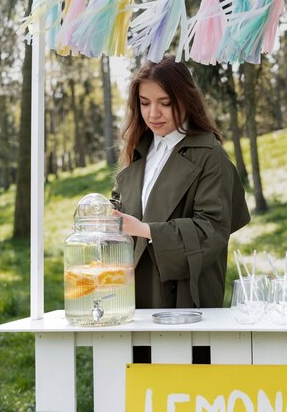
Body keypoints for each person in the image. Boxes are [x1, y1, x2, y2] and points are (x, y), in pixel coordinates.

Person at [111, 56, 250, 360]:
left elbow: (212, 230)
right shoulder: (140, 150)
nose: (153, 113)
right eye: (144, 103)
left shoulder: (209, 154)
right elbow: (121, 206)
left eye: (164, 102)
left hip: (183, 296)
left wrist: (145, 230)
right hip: (136, 293)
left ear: (185, 100)